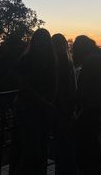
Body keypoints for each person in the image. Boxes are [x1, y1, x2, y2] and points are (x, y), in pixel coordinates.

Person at [9, 28, 56, 175]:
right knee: (31, 148)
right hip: (29, 109)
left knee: (38, 147)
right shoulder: (29, 60)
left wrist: (47, 103)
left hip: (40, 109)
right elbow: (25, 87)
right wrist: (45, 102)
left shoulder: (47, 60)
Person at [72, 35, 101, 175]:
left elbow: (84, 87)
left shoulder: (90, 62)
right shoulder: (100, 59)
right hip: (96, 106)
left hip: (89, 107)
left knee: (84, 140)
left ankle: (86, 169)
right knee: (92, 141)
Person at [52, 33, 77, 175]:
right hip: (67, 107)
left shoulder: (58, 62)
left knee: (61, 143)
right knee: (66, 143)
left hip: (60, 107)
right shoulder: (68, 62)